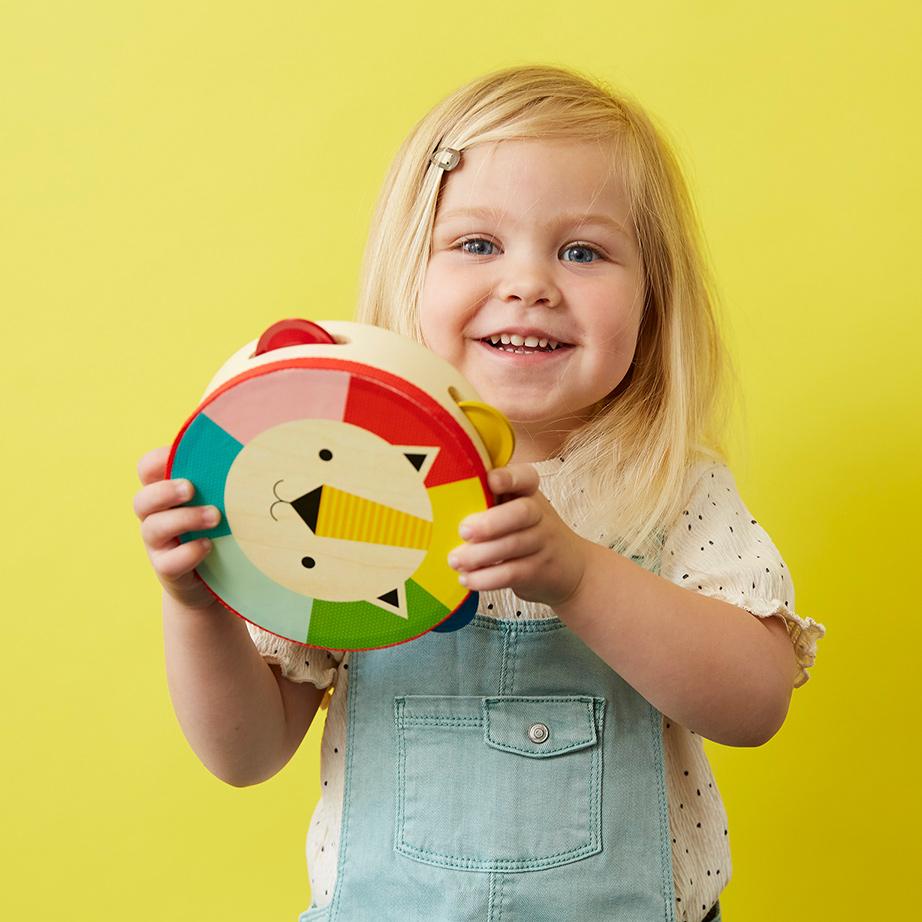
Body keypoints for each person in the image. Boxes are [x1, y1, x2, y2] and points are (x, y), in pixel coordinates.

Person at [134, 64, 826, 922]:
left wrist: (578, 575)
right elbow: (246, 753)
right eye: (476, 244)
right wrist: (198, 606)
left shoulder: (670, 488)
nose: (530, 283)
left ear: (654, 299)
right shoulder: (336, 479)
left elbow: (755, 705)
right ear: (410, 273)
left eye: (583, 251)